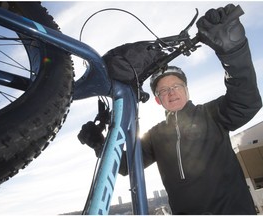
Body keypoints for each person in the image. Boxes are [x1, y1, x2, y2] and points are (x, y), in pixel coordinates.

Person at [80, 4, 262, 214]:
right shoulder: (156, 136)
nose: (171, 92)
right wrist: (98, 142)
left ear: (186, 91)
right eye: (164, 90)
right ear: (158, 100)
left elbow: (246, 101)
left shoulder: (212, 115)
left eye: (176, 86)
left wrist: (233, 51)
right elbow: (125, 165)